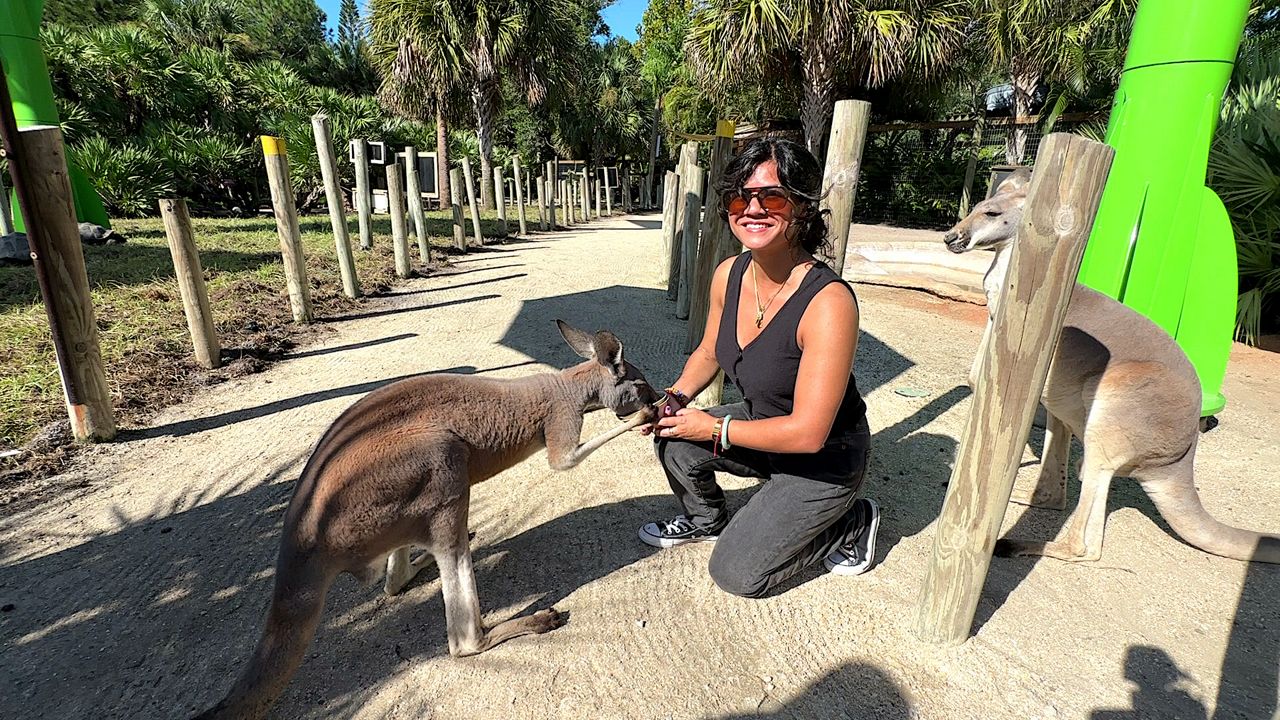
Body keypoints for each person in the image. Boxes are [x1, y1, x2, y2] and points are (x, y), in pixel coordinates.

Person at [639, 137, 878, 598]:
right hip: (766, 429)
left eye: (770, 196)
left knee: (737, 574)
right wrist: (676, 399)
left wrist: (713, 429)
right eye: (738, 197)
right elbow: (710, 350)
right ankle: (708, 519)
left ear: (803, 208)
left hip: (824, 457)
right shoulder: (729, 273)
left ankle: (850, 520)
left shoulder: (828, 303)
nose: (751, 209)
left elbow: (808, 433)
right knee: (673, 437)